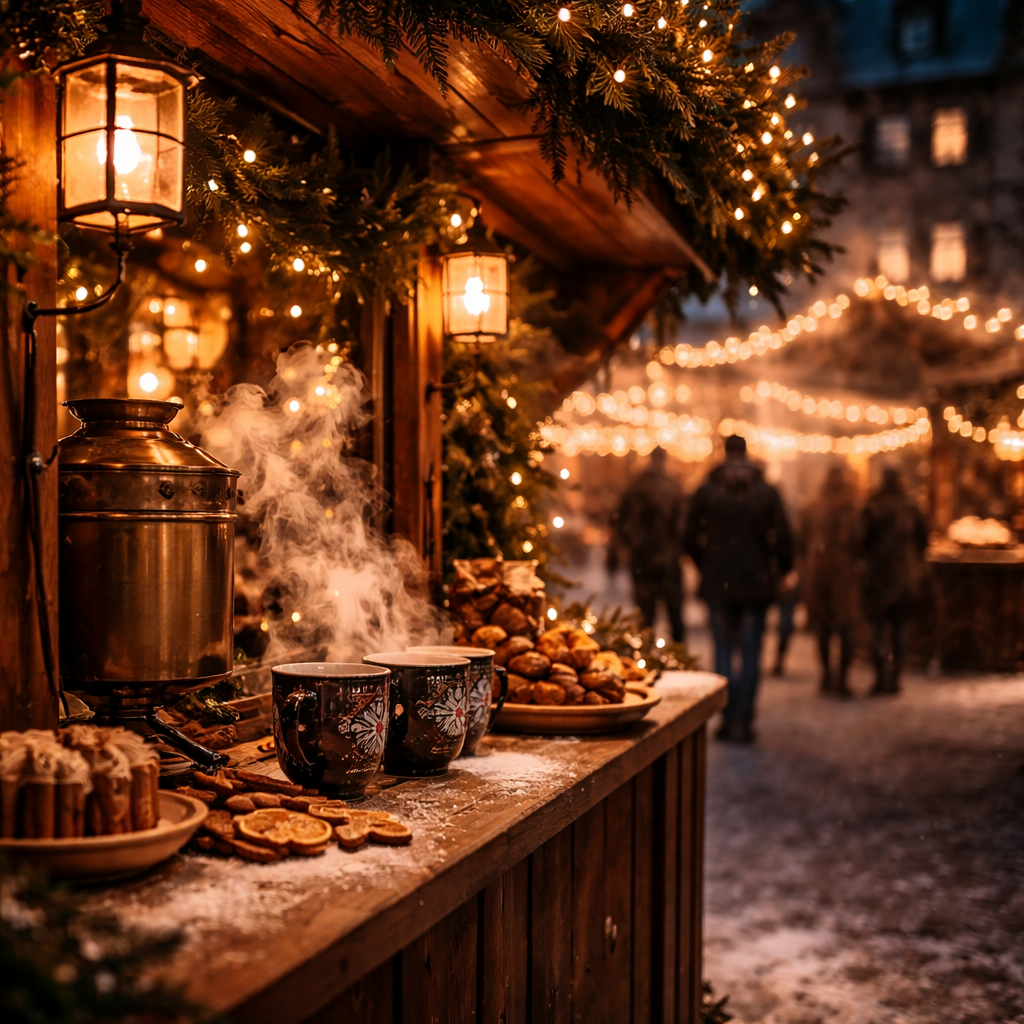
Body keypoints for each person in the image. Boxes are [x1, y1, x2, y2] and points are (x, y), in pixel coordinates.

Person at [683, 435, 793, 742]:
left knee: (722, 651)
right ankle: (744, 719)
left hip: (719, 582)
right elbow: (783, 536)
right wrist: (784, 569)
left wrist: (707, 564)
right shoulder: (766, 492)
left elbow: (688, 537)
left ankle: (728, 718)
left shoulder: (707, 491)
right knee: (751, 651)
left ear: (724, 452)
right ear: (746, 454)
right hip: (756, 584)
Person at [861, 467, 928, 694]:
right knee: (900, 629)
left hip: (879, 577)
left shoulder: (872, 507)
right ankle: (896, 676)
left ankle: (881, 676)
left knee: (878, 630)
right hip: (904, 578)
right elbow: (923, 541)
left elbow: (861, 543)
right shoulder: (911, 507)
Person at [615, 446, 687, 642]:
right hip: (669, 561)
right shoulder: (674, 487)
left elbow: (620, 522)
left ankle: (646, 662)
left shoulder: (635, 486)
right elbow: (683, 525)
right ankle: (679, 661)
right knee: (675, 617)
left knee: (645, 619)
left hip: (642, 560)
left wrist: (631, 545)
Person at [800, 465, 861, 696]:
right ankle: (841, 678)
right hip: (842, 576)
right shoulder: (850, 506)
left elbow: (802, 539)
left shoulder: (813, 505)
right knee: (845, 626)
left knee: (823, 627)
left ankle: (827, 675)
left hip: (817, 573)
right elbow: (858, 539)